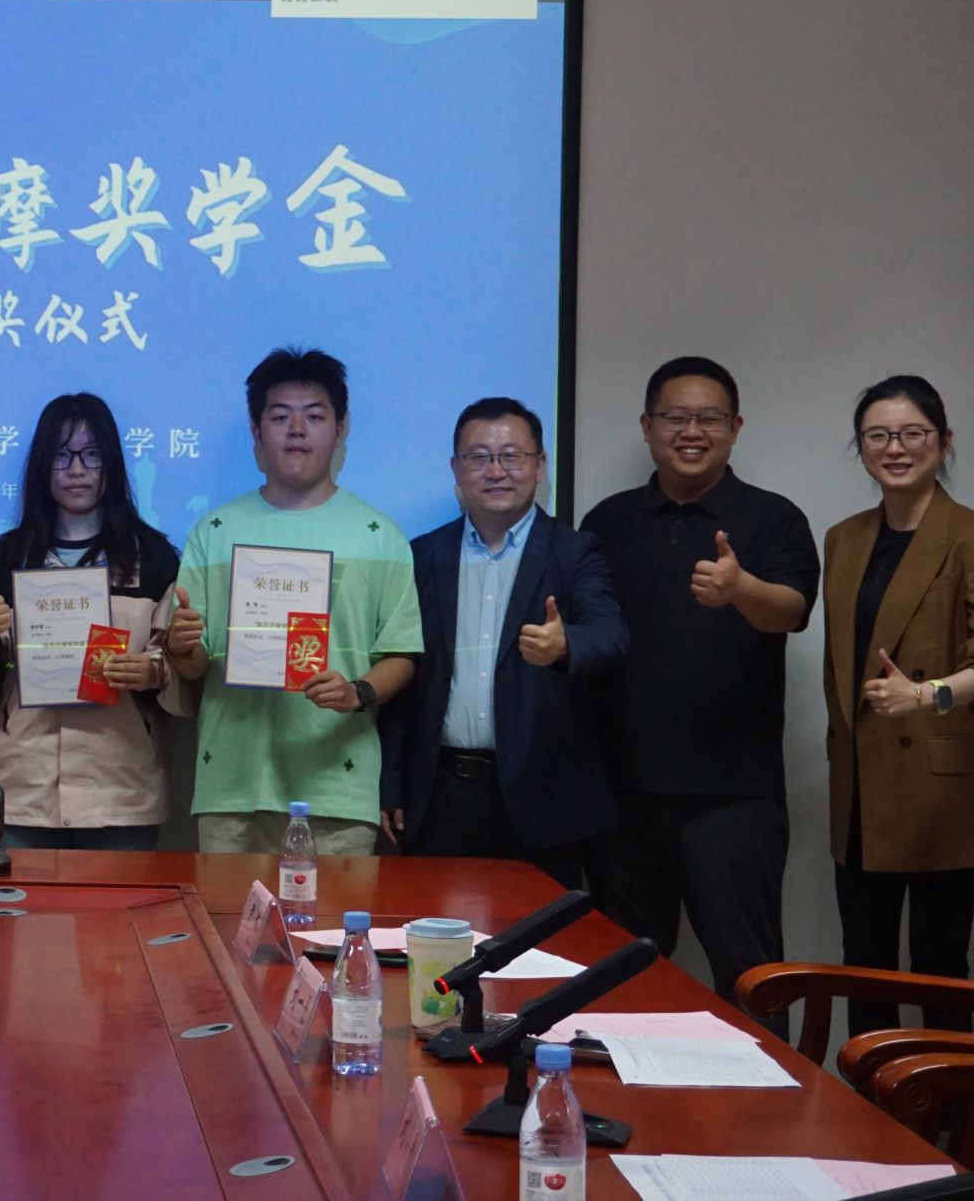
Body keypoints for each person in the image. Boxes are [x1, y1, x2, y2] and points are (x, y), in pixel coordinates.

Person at [581, 356, 818, 1027]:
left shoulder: (773, 518)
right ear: (647, 426)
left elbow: (790, 609)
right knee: (622, 985)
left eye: (709, 418)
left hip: (733, 796)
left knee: (750, 981)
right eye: (675, 417)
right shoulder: (607, 521)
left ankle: (763, 1099)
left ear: (735, 428)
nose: (692, 431)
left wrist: (740, 588)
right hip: (624, 798)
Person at [169, 347, 421, 856]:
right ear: (257, 431)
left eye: (315, 416)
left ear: (341, 428)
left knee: (334, 913)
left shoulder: (379, 536)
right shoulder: (215, 531)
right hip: (231, 786)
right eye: (280, 416)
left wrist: (357, 691)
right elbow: (195, 665)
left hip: (336, 786)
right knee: (224, 912)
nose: (297, 430)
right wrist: (181, 647)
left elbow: (403, 653)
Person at [378, 397, 628, 888]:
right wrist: (391, 782)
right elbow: (406, 676)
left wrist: (566, 645)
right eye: (479, 457)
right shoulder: (423, 555)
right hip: (441, 795)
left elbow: (612, 635)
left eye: (512, 456)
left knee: (538, 935)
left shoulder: (575, 552)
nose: (496, 471)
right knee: (436, 931)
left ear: (540, 465)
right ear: (456, 468)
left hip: (544, 796)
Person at [0, 393, 185, 850]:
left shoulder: (155, 558)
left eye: (92, 454)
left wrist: (152, 671)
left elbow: (176, 666)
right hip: (23, 789)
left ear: (112, 462)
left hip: (121, 790)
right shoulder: (3, 560)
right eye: (61, 454)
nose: (77, 469)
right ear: (42, 465)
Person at [822, 375, 974, 1035]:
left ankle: (948, 1097)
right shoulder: (843, 538)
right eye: (878, 435)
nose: (895, 448)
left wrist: (927, 693)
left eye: (913, 433)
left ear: (943, 442)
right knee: (864, 965)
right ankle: (870, 1092)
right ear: (860, 447)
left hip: (943, 784)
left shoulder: (968, 534)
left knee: (940, 967)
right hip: (860, 783)